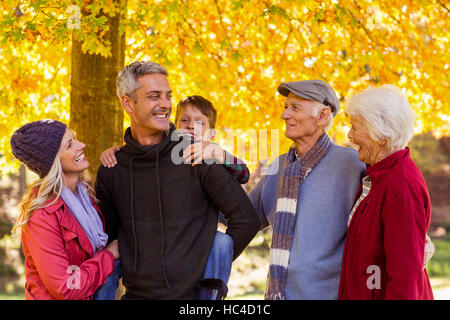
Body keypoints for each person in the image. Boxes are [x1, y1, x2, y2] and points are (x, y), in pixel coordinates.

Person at [95, 61, 259, 300]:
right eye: (154, 96)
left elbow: (246, 220)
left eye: (168, 96)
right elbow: (109, 240)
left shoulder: (197, 154)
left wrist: (207, 265)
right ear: (128, 102)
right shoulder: (112, 169)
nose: (166, 104)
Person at [249, 80, 366, 300]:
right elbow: (241, 216)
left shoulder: (353, 165)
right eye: (285, 107)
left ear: (322, 116)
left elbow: (385, 217)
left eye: (295, 108)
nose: (284, 115)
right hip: (279, 295)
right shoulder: (277, 167)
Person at [338, 85, 434, 300]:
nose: (350, 135)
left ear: (380, 135)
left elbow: (405, 276)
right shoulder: (379, 177)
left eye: (355, 127)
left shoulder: (401, 183)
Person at [10, 119, 119, 300]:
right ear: (53, 163)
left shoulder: (86, 197)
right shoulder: (42, 216)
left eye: (75, 138)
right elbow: (65, 287)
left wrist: (119, 154)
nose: (82, 145)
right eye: (70, 145)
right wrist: (109, 255)